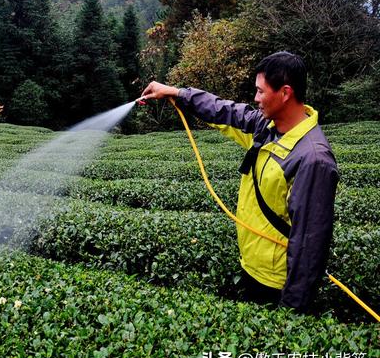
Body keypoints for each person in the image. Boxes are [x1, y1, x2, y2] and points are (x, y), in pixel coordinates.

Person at [137, 52, 339, 312]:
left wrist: (291, 313)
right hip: (250, 266)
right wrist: (176, 93)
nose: (255, 99)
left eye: (260, 91)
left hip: (276, 283)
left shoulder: (313, 159)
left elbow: (310, 246)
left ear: (285, 93)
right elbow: (224, 110)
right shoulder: (265, 127)